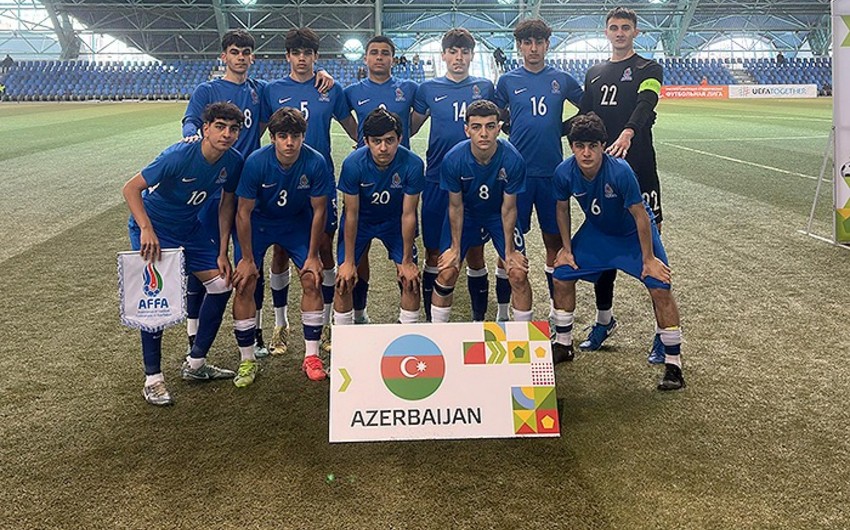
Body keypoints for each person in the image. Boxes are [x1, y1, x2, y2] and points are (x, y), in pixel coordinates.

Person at [181, 29, 335, 360]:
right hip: (216, 181)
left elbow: (287, 102)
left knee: (252, 264)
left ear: (252, 57)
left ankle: (259, 334)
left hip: (251, 181)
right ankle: (192, 339)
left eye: (245, 52)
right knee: (204, 259)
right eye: (234, 51)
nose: (240, 57)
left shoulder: (260, 90)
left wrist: (321, 74)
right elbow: (190, 123)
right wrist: (193, 139)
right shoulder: (207, 89)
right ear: (224, 56)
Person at [122, 102, 245, 406]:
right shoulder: (178, 155)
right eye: (220, 127)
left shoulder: (234, 161)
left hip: (190, 229)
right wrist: (146, 228)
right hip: (155, 229)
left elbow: (227, 205)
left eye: (233, 129)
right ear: (206, 129)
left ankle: (196, 364)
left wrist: (222, 250)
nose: (226, 134)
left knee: (221, 285)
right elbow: (131, 189)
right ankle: (153, 379)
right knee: (155, 301)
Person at [550, 113, 685, 391]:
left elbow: (640, 215)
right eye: (579, 146)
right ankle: (563, 345)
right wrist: (566, 249)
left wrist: (648, 259)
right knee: (562, 273)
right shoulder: (564, 172)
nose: (586, 153)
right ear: (572, 147)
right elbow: (562, 209)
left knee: (660, 285)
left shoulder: (620, 171)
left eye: (593, 146)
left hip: (632, 235)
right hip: (598, 232)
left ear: (603, 145)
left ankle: (674, 364)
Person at [576, 7, 666, 362]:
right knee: (605, 242)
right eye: (613, 27)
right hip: (602, 172)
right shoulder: (595, 73)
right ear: (606, 32)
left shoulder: (649, 68)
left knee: (653, 250)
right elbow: (583, 117)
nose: (619, 32)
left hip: (640, 167)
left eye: (625, 27)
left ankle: (663, 334)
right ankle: (604, 321)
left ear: (635, 32)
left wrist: (628, 131)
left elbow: (647, 103)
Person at [261, 27, 358, 356]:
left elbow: (354, 130)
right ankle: (280, 324)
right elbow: (257, 132)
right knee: (280, 250)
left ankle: (328, 323)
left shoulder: (330, 88)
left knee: (324, 248)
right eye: (296, 53)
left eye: (308, 53)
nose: (302, 59)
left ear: (316, 56)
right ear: (287, 56)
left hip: (320, 179)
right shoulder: (272, 90)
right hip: (282, 181)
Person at [232, 107, 333, 383]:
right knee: (245, 282)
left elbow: (319, 211)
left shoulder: (315, 161)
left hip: (296, 223)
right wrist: (247, 259)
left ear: (303, 137)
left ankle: (312, 356)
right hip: (259, 224)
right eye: (283, 136)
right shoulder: (256, 162)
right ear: (273, 138)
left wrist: (312, 255)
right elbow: (243, 212)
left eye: (295, 136)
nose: (290, 143)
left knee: (312, 277)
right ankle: (247, 360)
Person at [495, 18, 582, 323]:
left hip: (551, 174)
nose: (533, 48)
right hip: (516, 176)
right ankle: (503, 312)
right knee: (507, 244)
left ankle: (556, 313)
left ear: (547, 44)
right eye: (527, 43)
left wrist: (562, 128)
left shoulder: (562, 79)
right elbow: (496, 115)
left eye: (539, 42)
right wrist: (510, 128)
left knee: (553, 243)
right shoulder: (507, 81)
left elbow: (587, 107)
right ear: (519, 46)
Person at [411, 28, 495, 322]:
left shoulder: (485, 87)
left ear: (472, 55)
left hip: (475, 181)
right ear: (443, 55)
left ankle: (478, 320)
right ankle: (430, 320)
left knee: (475, 253)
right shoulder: (428, 89)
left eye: (465, 52)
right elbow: (409, 128)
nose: (459, 57)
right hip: (437, 179)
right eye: (453, 52)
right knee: (434, 252)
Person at [431, 100, 532, 323]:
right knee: (447, 271)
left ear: (499, 128)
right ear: (466, 130)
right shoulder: (453, 159)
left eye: (490, 126)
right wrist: (455, 249)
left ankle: (521, 337)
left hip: (497, 214)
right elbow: (455, 206)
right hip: (467, 215)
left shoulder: (513, 159)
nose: (484, 133)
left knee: (517, 272)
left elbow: (509, 208)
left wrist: (509, 252)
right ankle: (438, 335)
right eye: (476, 127)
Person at [344, 35, 419, 324]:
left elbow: (413, 124)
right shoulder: (352, 91)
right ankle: (359, 316)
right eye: (374, 52)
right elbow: (350, 125)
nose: (379, 57)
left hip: (400, 176)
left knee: (405, 246)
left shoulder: (409, 88)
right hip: (365, 174)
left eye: (385, 53)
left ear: (393, 58)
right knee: (358, 254)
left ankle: (408, 324)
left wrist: (395, 141)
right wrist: (366, 144)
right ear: (365, 58)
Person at [333, 109, 424, 326]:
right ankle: (348, 332)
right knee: (344, 279)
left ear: (399, 139)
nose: (383, 148)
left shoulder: (413, 164)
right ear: (366, 141)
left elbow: (409, 214)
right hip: (361, 221)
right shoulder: (353, 164)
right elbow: (351, 214)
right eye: (376, 141)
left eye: (389, 140)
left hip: (395, 221)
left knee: (410, 279)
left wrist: (407, 261)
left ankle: (407, 334)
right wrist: (348, 262)